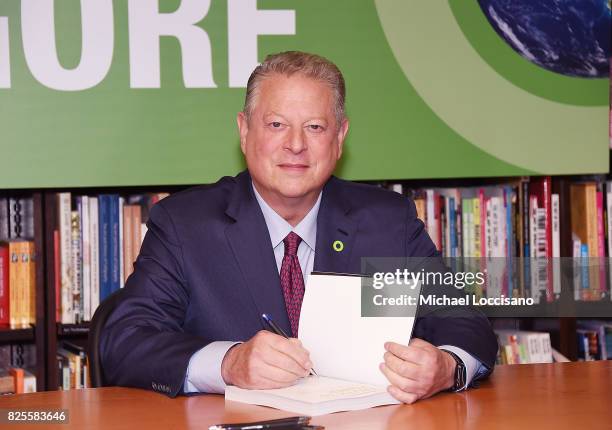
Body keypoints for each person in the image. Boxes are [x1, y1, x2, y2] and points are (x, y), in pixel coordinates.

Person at [100, 51, 498, 404]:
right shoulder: (186, 225)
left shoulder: (387, 221)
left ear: (339, 138)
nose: (295, 145)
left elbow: (465, 320)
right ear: (244, 131)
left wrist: (447, 367)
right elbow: (125, 342)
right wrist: (228, 363)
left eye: (314, 127)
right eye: (276, 125)